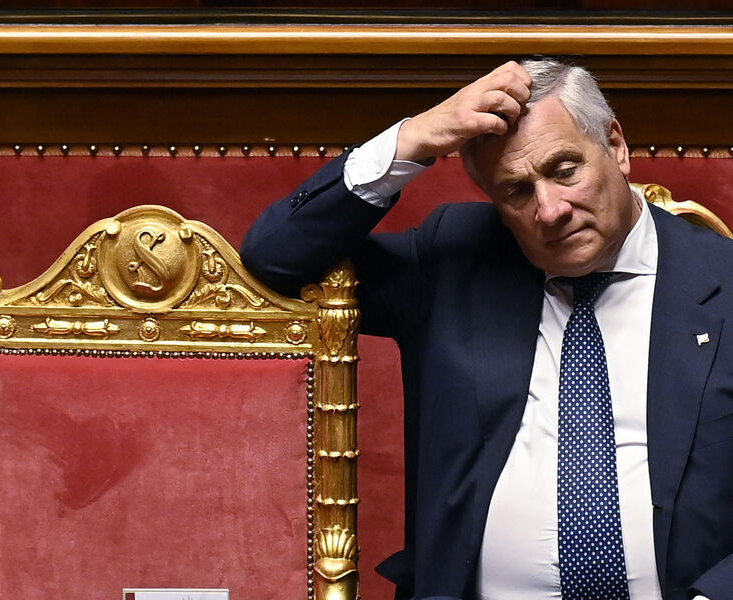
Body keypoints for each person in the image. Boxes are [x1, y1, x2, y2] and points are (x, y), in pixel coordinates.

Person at [240, 58, 733, 600]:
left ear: (615, 146)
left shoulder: (723, 283)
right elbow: (277, 259)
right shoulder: (456, 258)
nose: (550, 210)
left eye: (565, 170)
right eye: (517, 192)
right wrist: (413, 138)